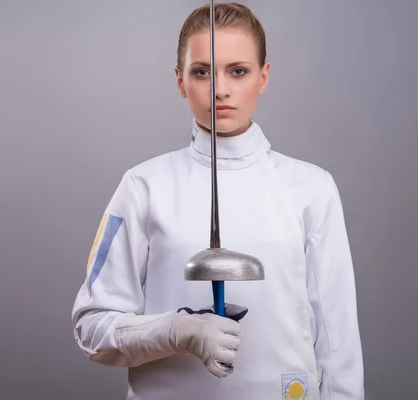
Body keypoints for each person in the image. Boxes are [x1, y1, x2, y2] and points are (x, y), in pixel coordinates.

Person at [70, 2, 364, 399]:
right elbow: (92, 328)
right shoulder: (143, 185)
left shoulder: (312, 187)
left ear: (264, 76)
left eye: (238, 71)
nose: (220, 89)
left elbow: (338, 341)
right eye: (202, 72)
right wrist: (179, 330)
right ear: (179, 81)